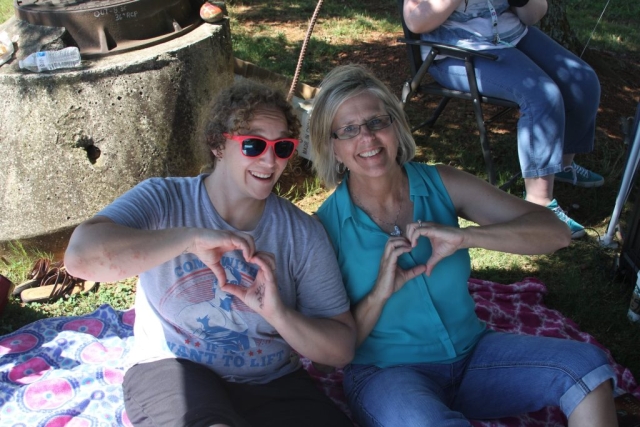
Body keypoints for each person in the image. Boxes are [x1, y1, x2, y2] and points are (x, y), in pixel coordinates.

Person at [308, 64, 618, 427]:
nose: (368, 138)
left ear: (396, 126)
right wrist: (379, 294)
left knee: (588, 368)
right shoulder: (324, 228)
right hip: (387, 375)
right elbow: (330, 356)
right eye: (348, 130)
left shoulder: (442, 182)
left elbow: (555, 232)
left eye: (378, 121)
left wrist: (467, 237)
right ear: (332, 147)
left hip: (475, 356)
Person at [64, 79, 356, 427]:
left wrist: (279, 314)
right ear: (219, 145)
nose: (269, 159)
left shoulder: (301, 233)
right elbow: (80, 258)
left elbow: (340, 349)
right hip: (171, 365)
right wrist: (189, 239)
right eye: (253, 144)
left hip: (271, 379)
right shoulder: (164, 198)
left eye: (282, 147)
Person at [403, 0, 603, 238]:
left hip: (511, 36)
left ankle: (561, 163)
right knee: (542, 95)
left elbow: (535, 14)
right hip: (454, 51)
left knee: (582, 80)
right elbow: (415, 20)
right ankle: (539, 204)